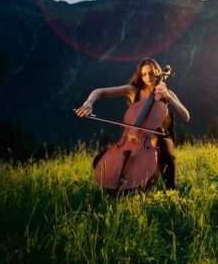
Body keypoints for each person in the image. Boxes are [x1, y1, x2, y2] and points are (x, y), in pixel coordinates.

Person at [74, 57, 190, 190]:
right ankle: (115, 186)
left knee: (168, 157)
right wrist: (88, 103)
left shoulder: (167, 93)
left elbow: (186, 116)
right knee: (100, 160)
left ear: (158, 72)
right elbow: (99, 92)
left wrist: (169, 98)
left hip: (159, 135)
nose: (147, 77)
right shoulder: (133, 91)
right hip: (131, 136)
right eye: (144, 74)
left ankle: (171, 192)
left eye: (151, 73)